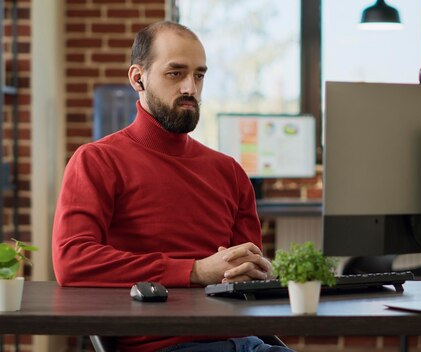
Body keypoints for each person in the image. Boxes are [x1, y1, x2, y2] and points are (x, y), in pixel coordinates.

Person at [52, 21, 293, 352]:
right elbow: (71, 259)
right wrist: (194, 271)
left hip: (247, 342)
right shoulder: (97, 161)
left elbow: (245, 274)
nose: (190, 88)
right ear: (138, 78)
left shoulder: (230, 172)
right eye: (175, 73)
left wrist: (256, 272)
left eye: (199, 75)